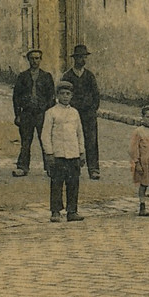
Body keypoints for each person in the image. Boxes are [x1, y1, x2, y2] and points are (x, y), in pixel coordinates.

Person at [41, 79, 86, 222]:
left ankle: (72, 211)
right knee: (57, 183)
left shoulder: (75, 113)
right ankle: (55, 211)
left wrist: (81, 151)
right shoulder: (51, 112)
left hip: (73, 154)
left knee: (73, 183)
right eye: (62, 93)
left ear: (72, 95)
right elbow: (45, 134)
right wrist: (49, 153)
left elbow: (79, 133)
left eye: (68, 94)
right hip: (58, 154)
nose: (65, 96)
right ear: (57, 95)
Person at [62, 44, 103, 179]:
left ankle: (93, 169)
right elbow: (63, 95)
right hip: (72, 114)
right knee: (72, 140)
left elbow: (96, 95)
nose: (82, 60)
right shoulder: (67, 76)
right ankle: (73, 169)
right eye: (80, 57)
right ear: (75, 59)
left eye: (84, 57)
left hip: (88, 114)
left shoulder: (89, 76)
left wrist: (92, 109)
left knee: (91, 140)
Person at [11, 48, 55, 176]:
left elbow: (51, 97)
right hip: (27, 113)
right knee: (26, 141)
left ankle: (50, 168)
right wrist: (17, 115)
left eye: (37, 58)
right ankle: (23, 167)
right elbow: (16, 97)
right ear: (28, 60)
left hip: (42, 114)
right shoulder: (23, 76)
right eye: (32, 58)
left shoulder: (46, 77)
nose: (35, 61)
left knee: (45, 140)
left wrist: (48, 113)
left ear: (41, 60)